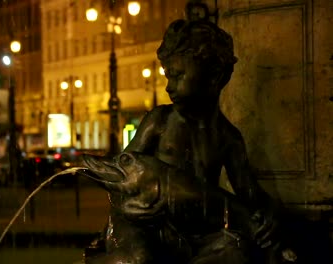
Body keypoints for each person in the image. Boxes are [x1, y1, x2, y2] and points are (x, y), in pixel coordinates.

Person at [121, 9, 282, 264]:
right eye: (168, 75)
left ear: (214, 76)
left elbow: (250, 193)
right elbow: (121, 171)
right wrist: (127, 208)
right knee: (140, 258)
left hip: (199, 233)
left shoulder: (227, 138)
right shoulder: (159, 121)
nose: (168, 85)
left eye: (178, 75)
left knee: (236, 252)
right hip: (152, 227)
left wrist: (269, 213)